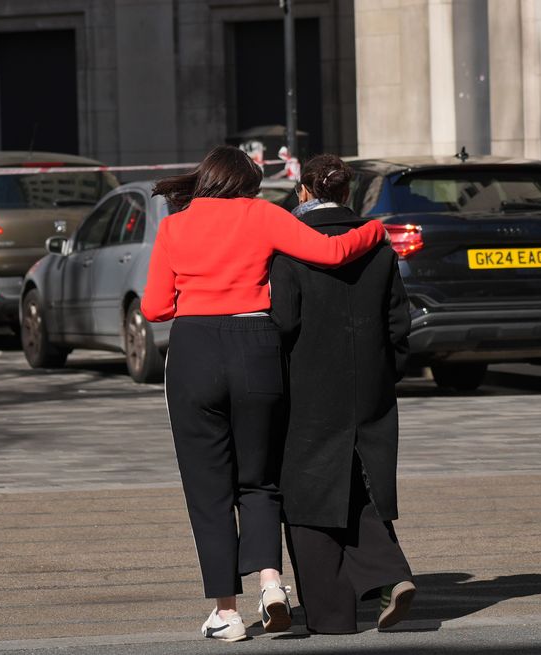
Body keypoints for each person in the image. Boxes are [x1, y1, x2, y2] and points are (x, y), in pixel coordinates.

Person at [140, 146, 387, 643]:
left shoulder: (175, 226)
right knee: (260, 479)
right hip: (255, 347)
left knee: (208, 491)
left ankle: (226, 613)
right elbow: (333, 252)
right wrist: (376, 229)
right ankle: (272, 586)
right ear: (247, 185)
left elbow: (153, 308)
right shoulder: (262, 214)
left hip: (193, 353)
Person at [270, 154, 415, 635]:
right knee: (361, 482)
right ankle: (390, 573)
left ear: (304, 192)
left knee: (307, 494)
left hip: (308, 384)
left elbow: (285, 320)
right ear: (347, 193)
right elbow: (398, 319)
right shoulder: (376, 243)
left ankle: (332, 617)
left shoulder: (291, 244)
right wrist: (389, 369)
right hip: (370, 380)